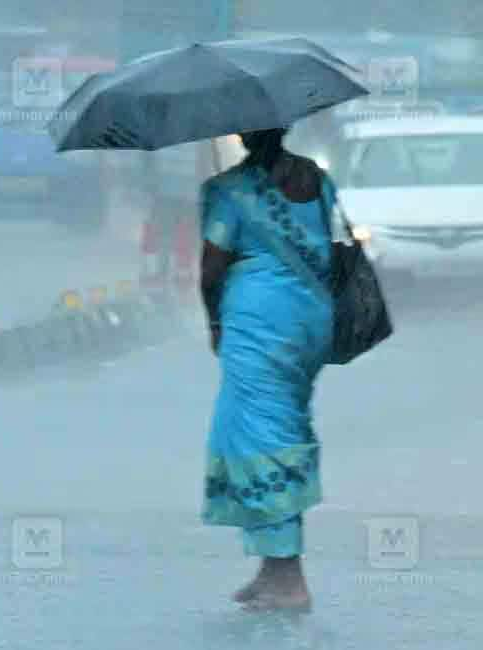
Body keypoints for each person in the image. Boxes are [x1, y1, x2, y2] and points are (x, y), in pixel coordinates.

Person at [198, 127, 338, 613]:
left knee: (259, 438)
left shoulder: (227, 190)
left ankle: (288, 574)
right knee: (283, 424)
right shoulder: (317, 179)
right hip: (314, 319)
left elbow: (211, 268)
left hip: (260, 321)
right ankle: (269, 567)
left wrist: (214, 321)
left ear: (240, 133)